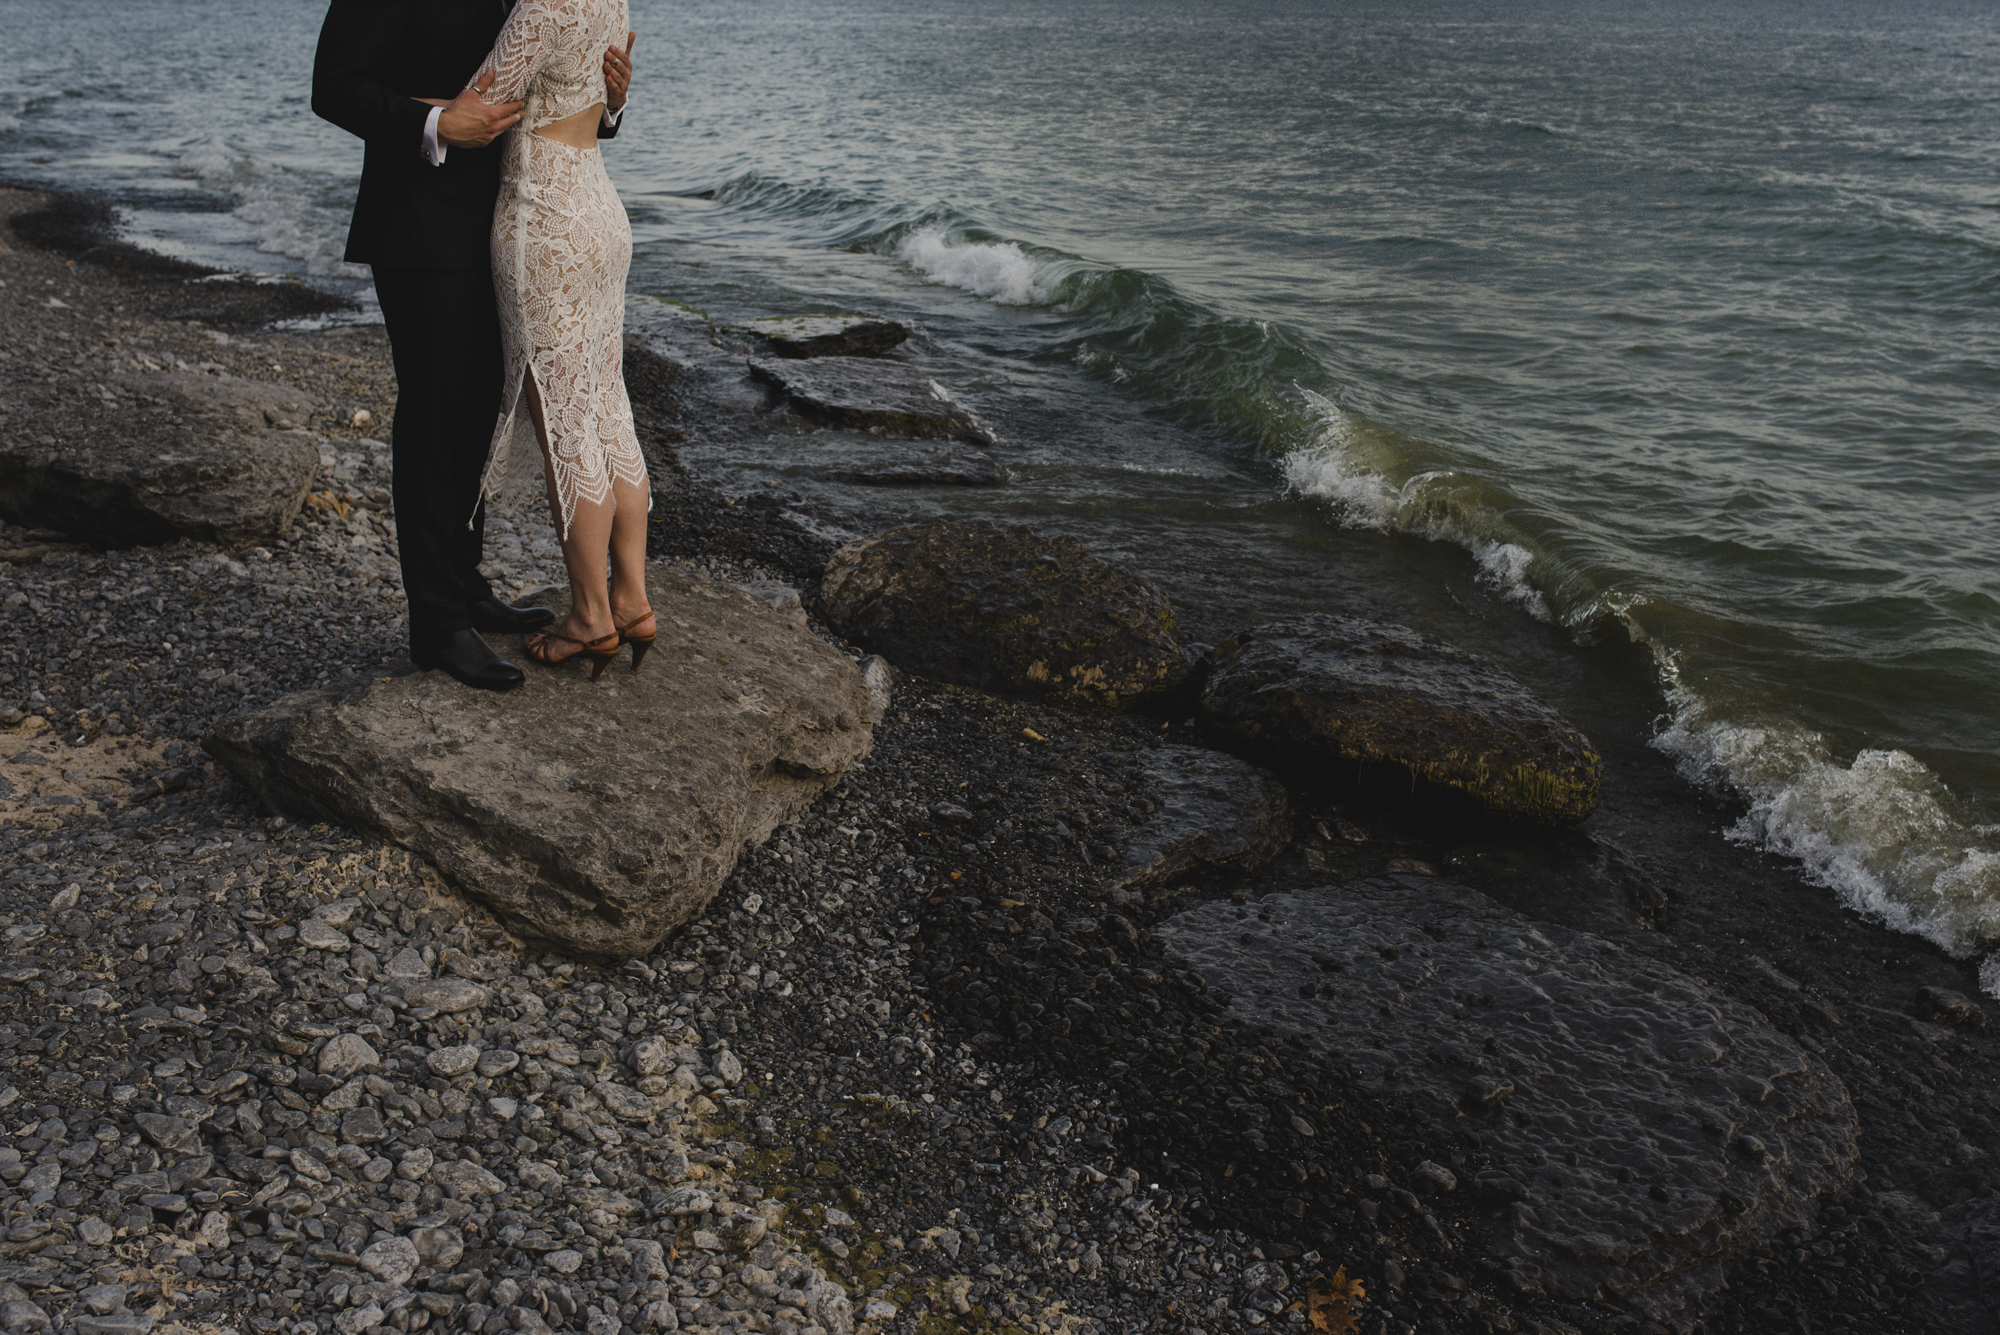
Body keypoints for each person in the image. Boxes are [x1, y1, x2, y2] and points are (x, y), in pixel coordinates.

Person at [311, 1, 637, 691]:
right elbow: (334, 86)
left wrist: (607, 99)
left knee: (481, 413)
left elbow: (545, 73)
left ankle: (465, 585)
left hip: (518, 223)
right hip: (422, 225)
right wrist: (435, 124)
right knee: (435, 420)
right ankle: (437, 626)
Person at [469, 0, 654, 681]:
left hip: (545, 219)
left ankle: (590, 616)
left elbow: (477, 109)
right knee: (608, 408)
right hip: (601, 209)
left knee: (566, 422)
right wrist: (614, 103)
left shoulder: (542, 6)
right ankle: (631, 599)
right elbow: (596, 94)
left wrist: (409, 105)